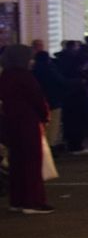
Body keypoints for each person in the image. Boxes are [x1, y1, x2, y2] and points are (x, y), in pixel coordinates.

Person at [1, 43, 54, 214]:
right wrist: (44, 116)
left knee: (17, 161)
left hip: (11, 122)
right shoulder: (25, 76)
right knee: (32, 162)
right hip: (28, 122)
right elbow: (37, 98)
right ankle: (33, 201)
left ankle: (18, 200)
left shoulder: (5, 76)